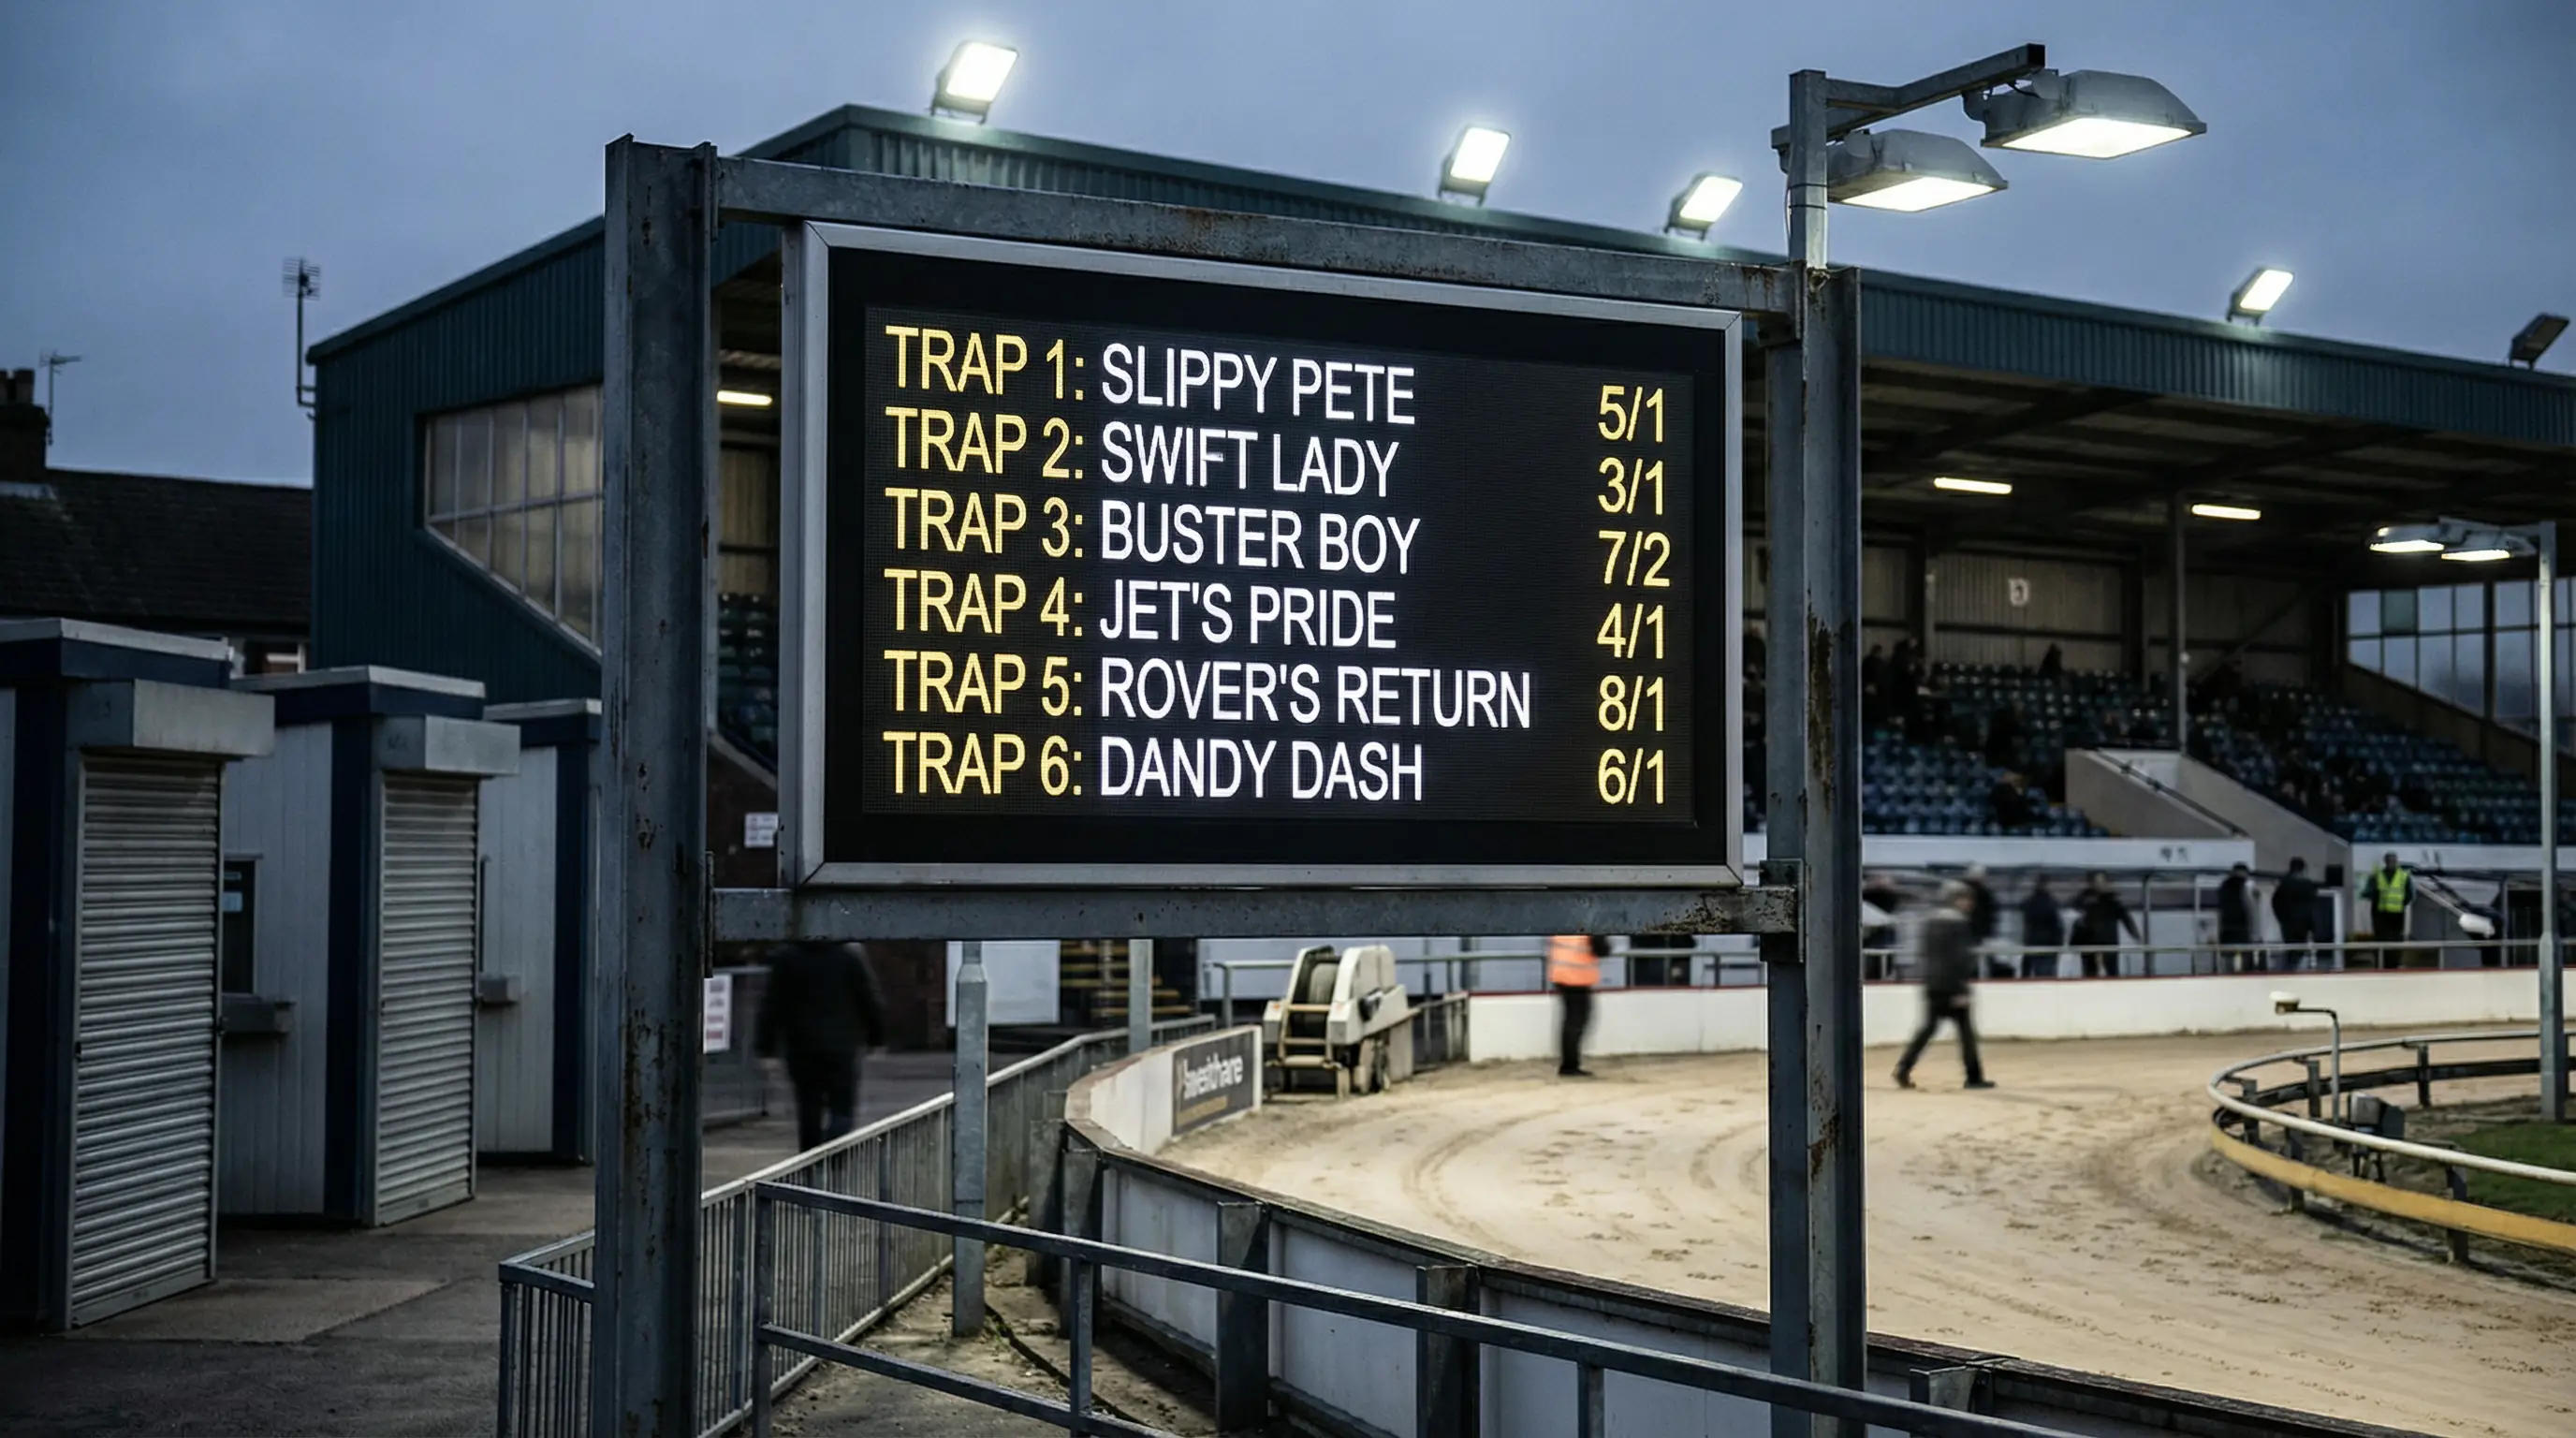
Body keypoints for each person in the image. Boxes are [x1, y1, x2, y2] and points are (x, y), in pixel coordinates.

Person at [754, 939, 888, 1151]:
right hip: (842, 1045)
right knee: (842, 1106)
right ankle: (835, 1154)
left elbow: (771, 1004)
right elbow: (869, 998)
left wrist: (765, 1046)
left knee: (808, 1107)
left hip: (801, 1045)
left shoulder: (787, 958)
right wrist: (877, 1038)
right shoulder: (850, 956)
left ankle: (810, 1161)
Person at [1895, 881, 1993, 1091]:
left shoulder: (1930, 922)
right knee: (1966, 1032)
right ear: (1956, 900)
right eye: (1965, 899)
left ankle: (1903, 1068)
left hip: (1932, 983)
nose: (1969, 903)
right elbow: (1959, 958)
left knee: (1927, 1029)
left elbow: (1927, 955)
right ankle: (1973, 1077)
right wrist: (1961, 988)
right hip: (1952, 985)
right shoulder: (1958, 924)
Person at [1548, 933, 1606, 1077]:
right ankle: (1569, 1065)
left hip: (1561, 974)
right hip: (1577, 977)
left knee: (1570, 1022)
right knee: (1577, 1022)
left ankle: (1569, 1063)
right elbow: (1602, 949)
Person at [2071, 872, 2142, 977]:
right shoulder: (2086, 898)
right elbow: (2075, 908)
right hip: (2089, 942)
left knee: (2112, 971)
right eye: (2096, 881)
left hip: (2109, 942)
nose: (2098, 884)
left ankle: (2113, 988)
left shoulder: (2112, 900)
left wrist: (2135, 935)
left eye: (2101, 881)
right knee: (2090, 972)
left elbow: (2126, 918)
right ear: (2090, 883)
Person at [2362, 852, 2413, 966]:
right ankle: (2381, 963)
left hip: (2397, 914)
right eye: (2389, 860)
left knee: (2395, 941)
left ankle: (2394, 964)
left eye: (2393, 860)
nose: (2391, 863)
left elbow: (2410, 895)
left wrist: (2401, 904)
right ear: (2385, 861)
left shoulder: (2404, 876)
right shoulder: (2377, 875)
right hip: (2380, 914)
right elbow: (2369, 892)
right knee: (2381, 940)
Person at [2272, 857, 2319, 971]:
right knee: (2301, 953)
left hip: (2288, 925)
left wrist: (2282, 920)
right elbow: (2313, 907)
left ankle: (2289, 972)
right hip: (2304, 925)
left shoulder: (2284, 885)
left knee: (2291, 952)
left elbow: (2276, 903)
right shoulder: (2309, 886)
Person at [1962, 863, 2005, 977]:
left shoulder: (1963, 892)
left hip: (1968, 932)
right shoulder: (1985, 894)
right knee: (1986, 959)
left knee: (1970, 960)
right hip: (1981, 933)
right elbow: (1992, 911)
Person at [2019, 876, 2065, 978]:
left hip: (2034, 943)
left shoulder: (2031, 902)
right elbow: (2057, 926)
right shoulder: (2051, 903)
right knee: (2046, 975)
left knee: (2034, 972)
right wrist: (2058, 943)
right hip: (2046, 945)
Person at [2216, 862, 2257, 971]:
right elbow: (2251, 910)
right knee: (2245, 964)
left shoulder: (2223, 887)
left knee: (2228, 964)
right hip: (2243, 931)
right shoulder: (2246, 886)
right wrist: (2253, 932)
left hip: (2226, 931)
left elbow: (2220, 911)